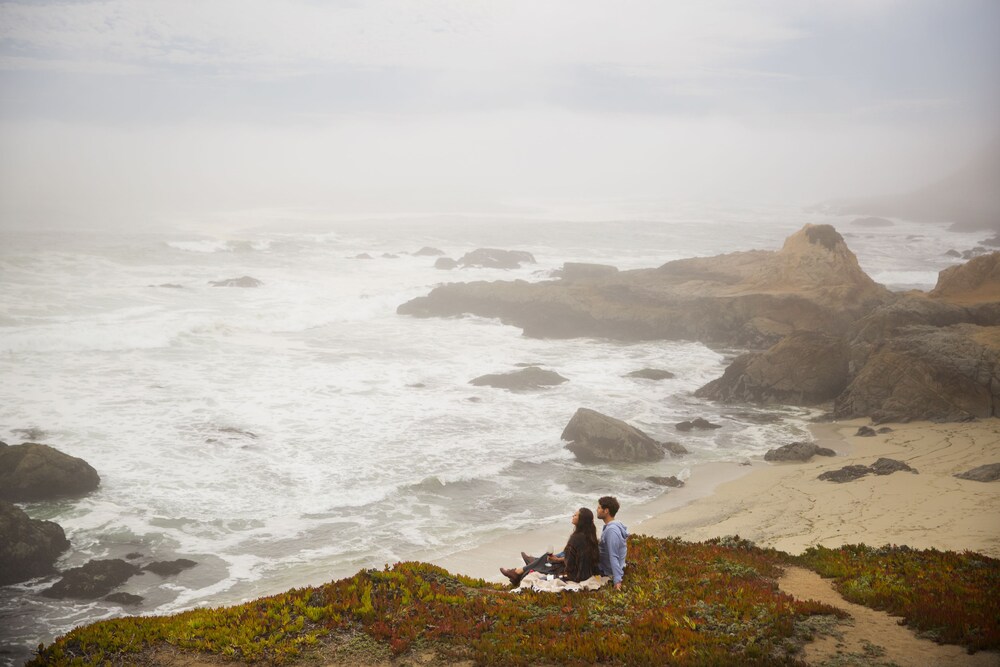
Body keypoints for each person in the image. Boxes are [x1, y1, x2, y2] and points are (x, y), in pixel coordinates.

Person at [500, 508, 600, 586]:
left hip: (575, 575)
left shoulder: (576, 538)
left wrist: (557, 561)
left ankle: (519, 571)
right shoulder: (589, 535)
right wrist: (558, 559)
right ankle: (521, 569)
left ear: (581, 520)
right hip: (584, 572)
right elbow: (576, 559)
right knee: (547, 559)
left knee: (547, 562)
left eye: (576, 515)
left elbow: (570, 564)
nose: (573, 516)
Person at [597, 495, 628, 590]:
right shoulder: (614, 525)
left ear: (606, 511)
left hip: (606, 570)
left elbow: (613, 556)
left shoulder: (612, 531)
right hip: (606, 566)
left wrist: (617, 581)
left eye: (599, 508)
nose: (596, 510)